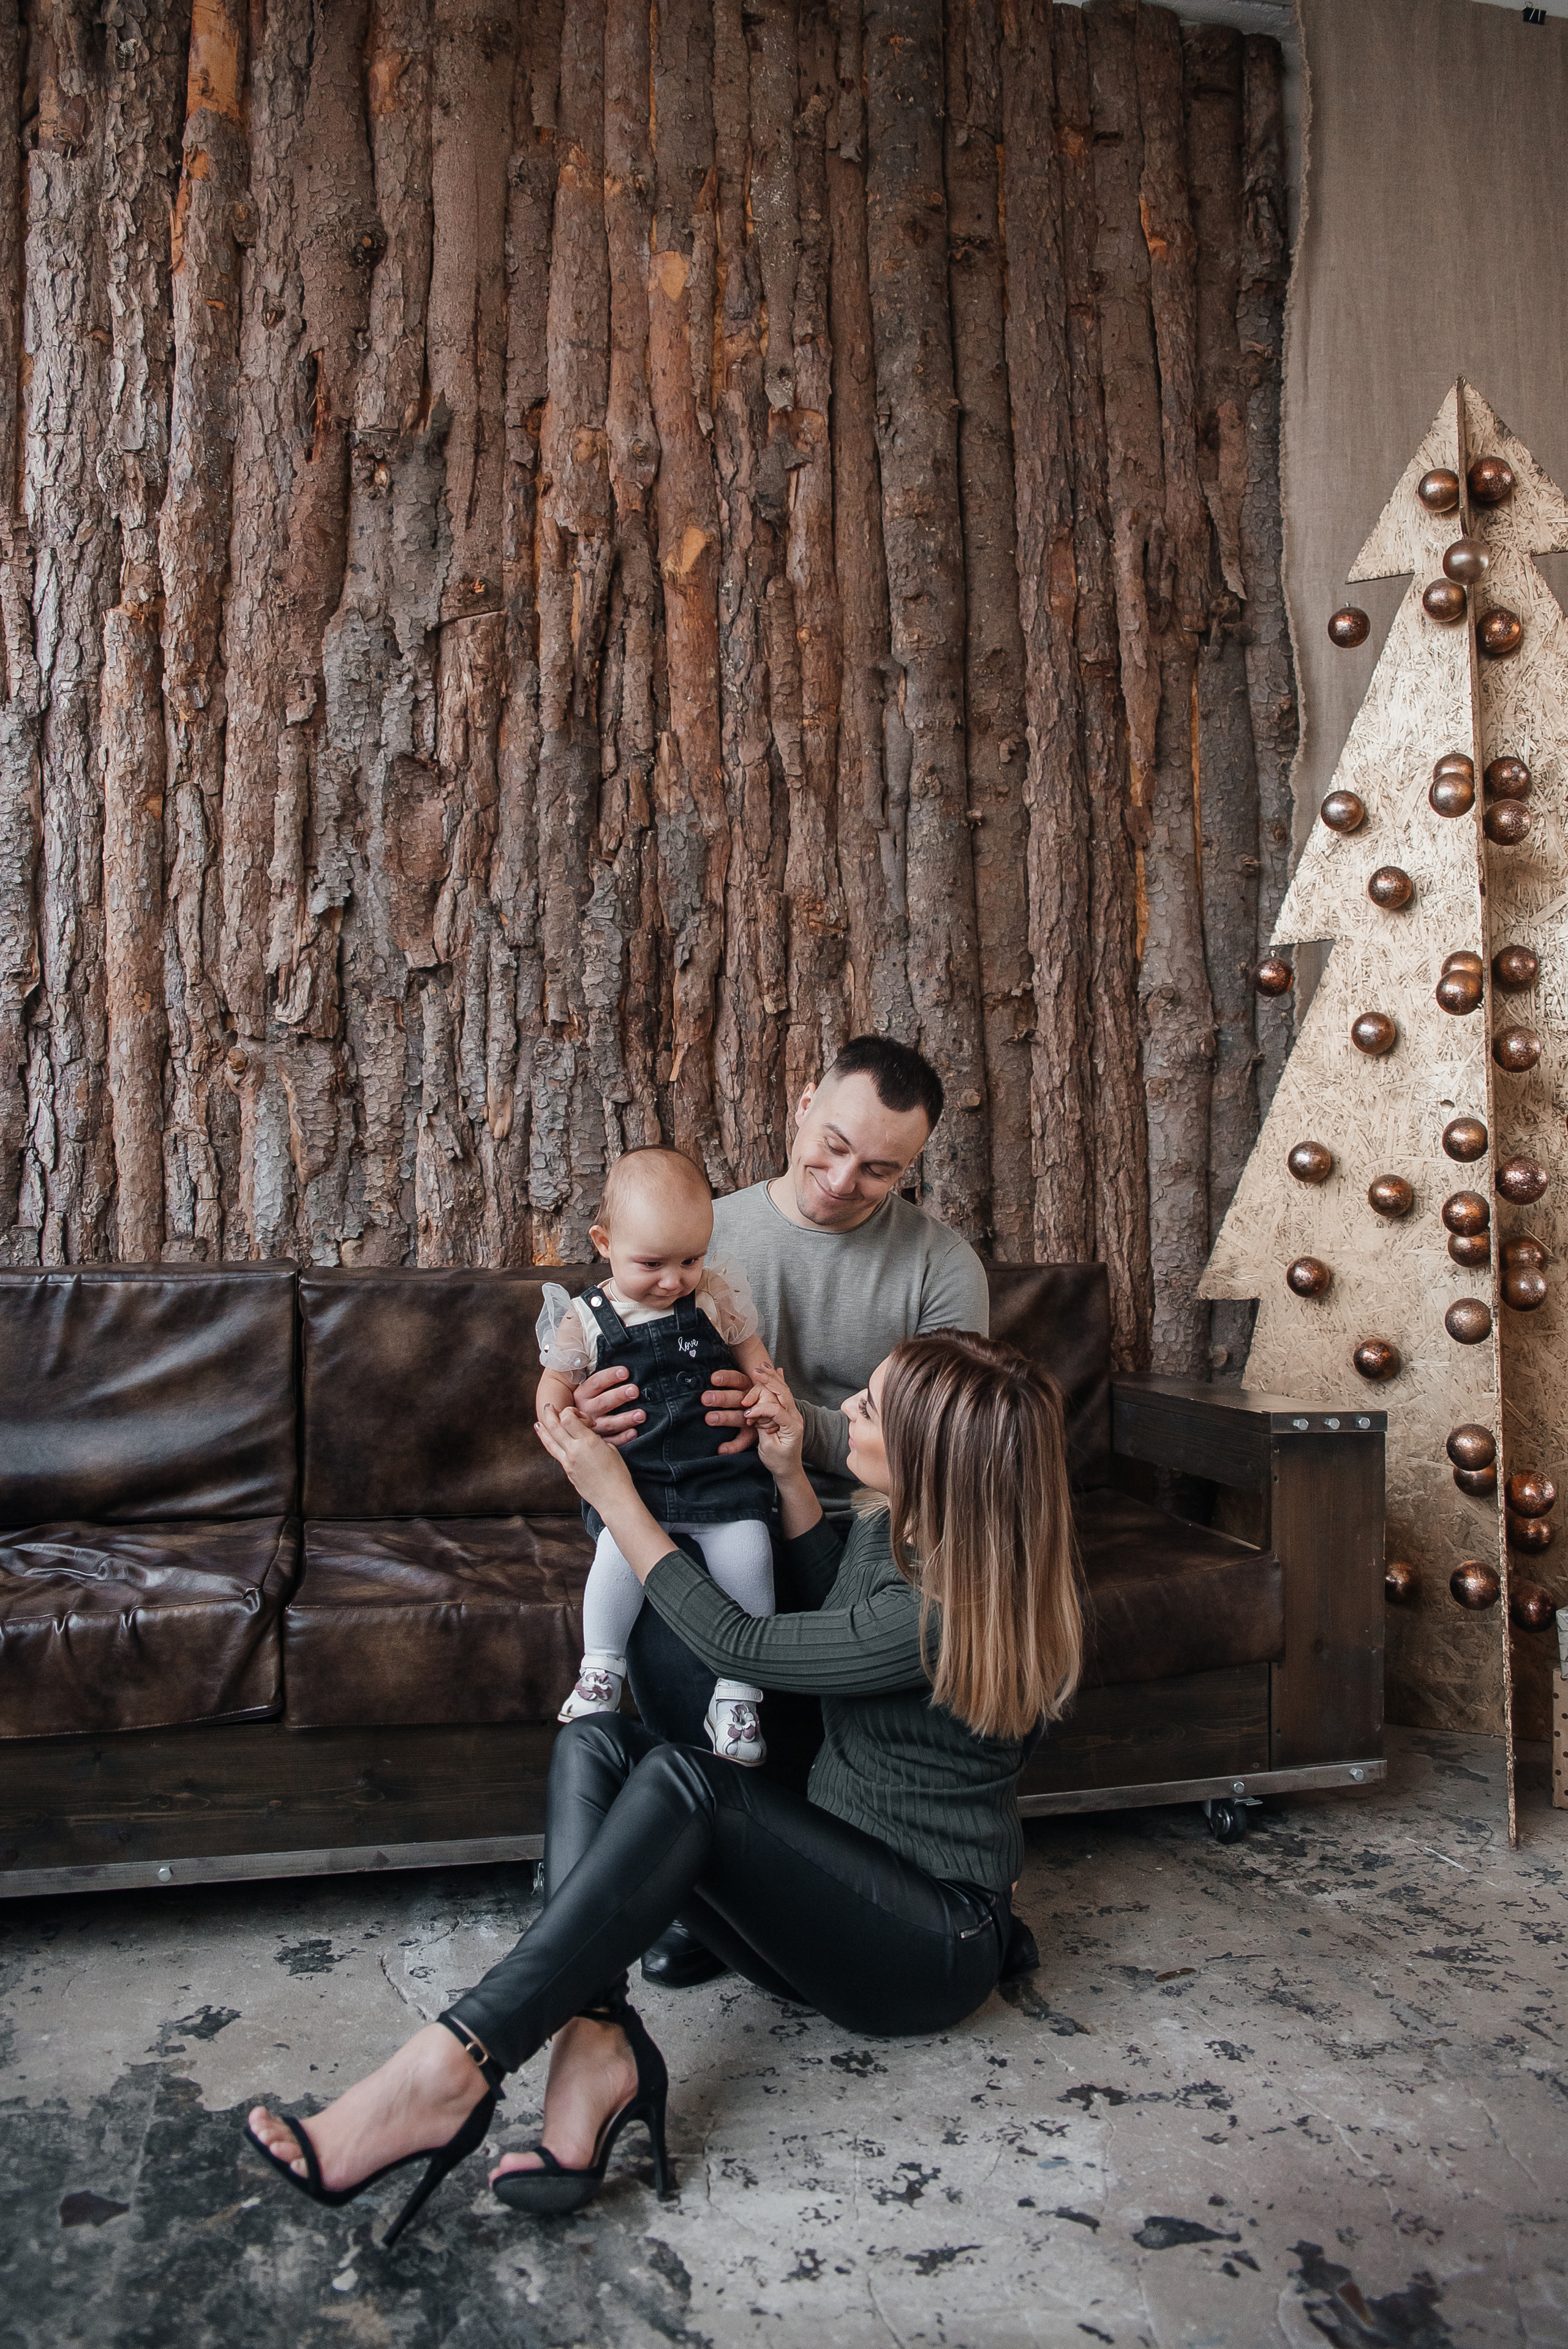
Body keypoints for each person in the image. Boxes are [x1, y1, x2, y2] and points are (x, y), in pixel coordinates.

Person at [244, 1331, 1081, 2245]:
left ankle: (448, 2067)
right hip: (836, 1897)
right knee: (597, 1742)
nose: (845, 1409)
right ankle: (595, 2046)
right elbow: (828, 1611)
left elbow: (745, 1645)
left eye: (871, 1407)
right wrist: (794, 1478)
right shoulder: (902, 1520)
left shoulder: (940, 1612)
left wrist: (618, 1499)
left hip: (927, 1949)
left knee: (689, 1778)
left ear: (934, 1454)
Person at [573, 1036, 992, 1984]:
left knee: (765, 1622)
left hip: (864, 1512)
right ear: (801, 1102)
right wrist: (571, 1407)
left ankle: (773, 1881)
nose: (844, 1179)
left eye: (881, 1168)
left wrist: (793, 1431)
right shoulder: (692, 1233)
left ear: (913, 1167)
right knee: (671, 1604)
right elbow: (583, 1358)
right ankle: (702, 1885)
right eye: (833, 1143)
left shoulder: (940, 1266)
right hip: (690, 1492)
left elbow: (948, 1450)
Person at [537, 1146, 777, 1763]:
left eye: (690, 1260)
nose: (674, 1280)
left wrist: (763, 1389)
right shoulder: (586, 1318)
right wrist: (561, 1418)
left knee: (750, 1550)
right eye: (652, 1263)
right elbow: (554, 1388)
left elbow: (752, 1354)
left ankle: (738, 1695)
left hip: (718, 1477)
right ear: (605, 1242)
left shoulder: (713, 1297)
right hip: (635, 1486)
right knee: (618, 1556)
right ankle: (601, 1671)